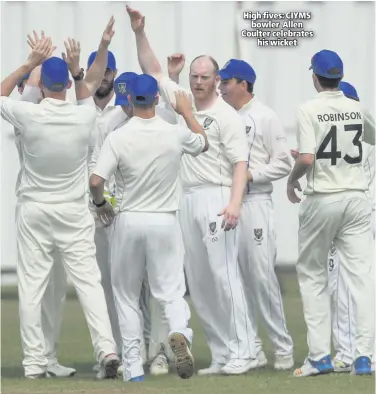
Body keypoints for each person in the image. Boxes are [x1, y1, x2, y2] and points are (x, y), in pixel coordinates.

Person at [126, 5, 258, 376]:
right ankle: (220, 352)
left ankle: (245, 349)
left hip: (216, 197)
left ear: (217, 81)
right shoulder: (181, 98)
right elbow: (152, 71)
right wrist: (139, 31)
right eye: (194, 76)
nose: (198, 82)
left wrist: (234, 204)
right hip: (185, 198)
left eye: (205, 77)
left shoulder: (228, 116)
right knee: (197, 282)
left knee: (223, 275)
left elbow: (240, 164)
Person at [1, 36, 120, 379]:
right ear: (67, 84)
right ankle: (107, 350)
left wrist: (27, 64)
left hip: (35, 210)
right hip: (72, 211)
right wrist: (77, 67)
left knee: (32, 287)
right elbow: (87, 94)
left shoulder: (29, 115)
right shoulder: (84, 117)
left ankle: (35, 363)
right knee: (89, 283)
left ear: (41, 87)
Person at [89, 74, 209, 381]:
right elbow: (203, 143)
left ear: (130, 101)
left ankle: (132, 367)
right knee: (170, 291)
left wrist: (101, 204)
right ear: (157, 99)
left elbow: (95, 181)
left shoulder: (118, 136)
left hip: (128, 220)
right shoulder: (174, 133)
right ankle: (181, 333)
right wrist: (186, 112)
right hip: (165, 220)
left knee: (127, 295)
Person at [287, 49, 375, 377]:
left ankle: (321, 356)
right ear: (339, 76)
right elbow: (372, 138)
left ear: (315, 77)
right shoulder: (357, 107)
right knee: (363, 279)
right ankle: (364, 356)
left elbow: (307, 159)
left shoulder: (308, 109)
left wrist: (291, 180)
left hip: (322, 197)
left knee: (313, 276)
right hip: (356, 197)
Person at [218, 59, 295, 370]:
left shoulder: (265, 116)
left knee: (261, 277)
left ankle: (283, 347)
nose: (221, 87)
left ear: (243, 85)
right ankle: (252, 347)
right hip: (227, 205)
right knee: (232, 280)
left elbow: (283, 163)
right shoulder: (222, 116)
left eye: (226, 82)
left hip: (255, 204)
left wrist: (250, 176)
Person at [12, 66, 75, 378]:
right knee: (33, 288)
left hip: (61, 211)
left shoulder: (53, 115)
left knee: (56, 289)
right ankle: (34, 360)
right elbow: (19, 99)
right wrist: (30, 69)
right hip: (34, 210)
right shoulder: (26, 117)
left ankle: (48, 356)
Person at [326, 82, 375, 373]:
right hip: (355, 213)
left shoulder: (358, 132)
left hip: (354, 216)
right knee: (343, 286)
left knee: (345, 286)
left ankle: (351, 352)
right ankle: (353, 352)